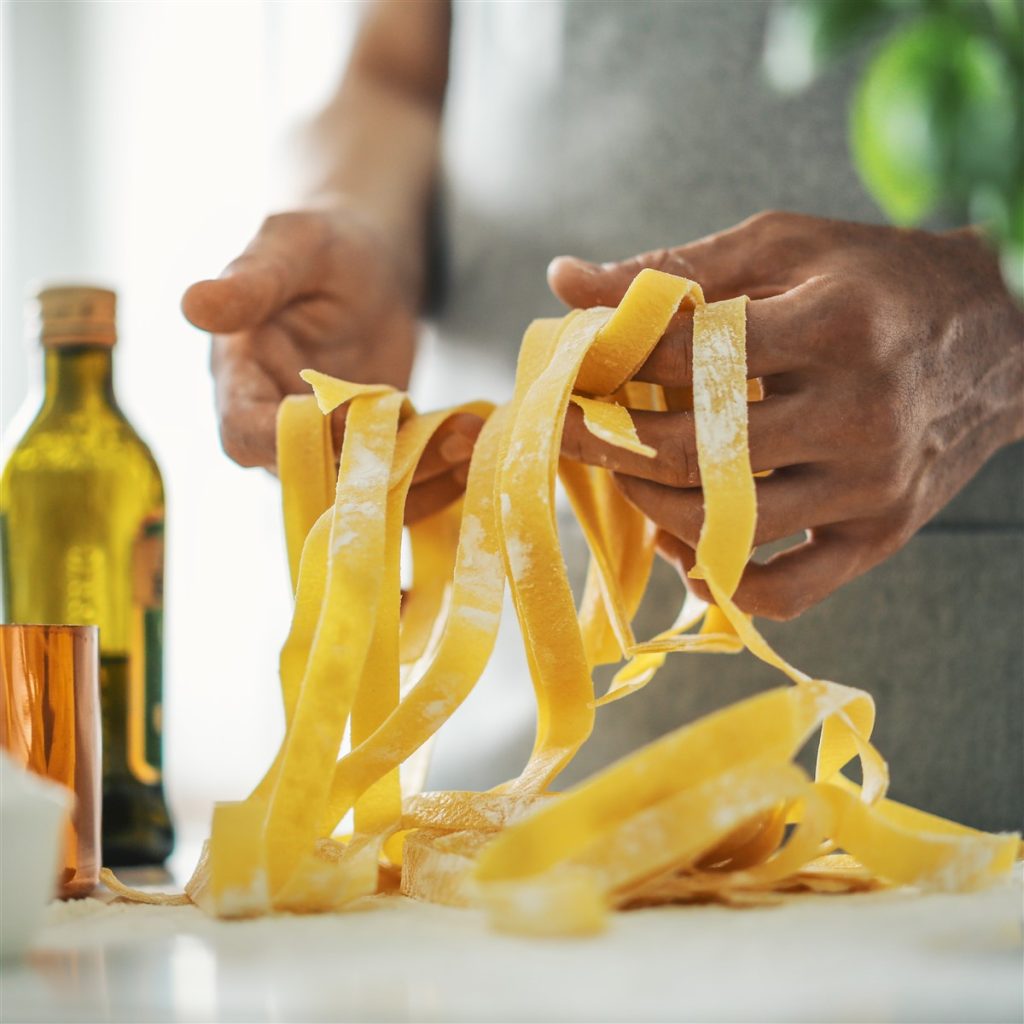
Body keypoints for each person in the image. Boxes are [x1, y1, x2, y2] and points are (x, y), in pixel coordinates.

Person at [182, 1, 1023, 831]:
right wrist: (353, 221)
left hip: (969, 774)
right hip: (504, 799)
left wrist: (996, 325)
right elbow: (391, 74)